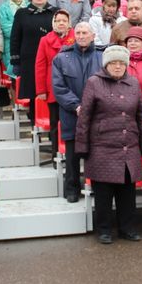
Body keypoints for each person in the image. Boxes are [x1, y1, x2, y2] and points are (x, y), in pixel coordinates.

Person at [75, 45, 142, 244]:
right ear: (106, 64)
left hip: (129, 146)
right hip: (102, 147)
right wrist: (82, 146)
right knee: (103, 193)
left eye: (121, 63)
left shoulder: (133, 83)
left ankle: (128, 228)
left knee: (127, 192)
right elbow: (84, 117)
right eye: (113, 63)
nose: (117, 67)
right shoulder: (94, 83)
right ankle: (104, 230)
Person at [52, 22, 104, 202]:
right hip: (71, 114)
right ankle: (72, 189)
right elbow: (59, 88)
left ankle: (98, 187)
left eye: (85, 33)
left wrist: (92, 106)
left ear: (93, 36)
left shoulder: (102, 56)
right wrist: (77, 106)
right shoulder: (61, 58)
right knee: (72, 156)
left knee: (97, 154)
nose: (81, 36)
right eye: (78, 33)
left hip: (98, 114)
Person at [10, 0, 57, 122]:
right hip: (29, 59)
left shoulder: (55, 12)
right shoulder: (22, 13)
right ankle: (35, 123)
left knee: (51, 91)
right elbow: (15, 37)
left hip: (51, 60)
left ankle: (52, 124)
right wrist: (15, 60)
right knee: (32, 92)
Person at [35, 9, 75, 156]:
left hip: (72, 86)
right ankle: (55, 154)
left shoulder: (76, 38)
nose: (61, 23)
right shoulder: (45, 40)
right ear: (54, 23)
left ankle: (71, 155)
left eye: (64, 20)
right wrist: (41, 91)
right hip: (52, 86)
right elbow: (39, 66)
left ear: (69, 23)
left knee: (72, 123)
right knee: (55, 123)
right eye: (58, 20)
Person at [0, 0, 27, 76]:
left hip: (27, 44)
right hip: (10, 46)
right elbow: (5, 28)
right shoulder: (3, 8)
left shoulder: (29, 6)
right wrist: (24, 30)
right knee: (12, 75)